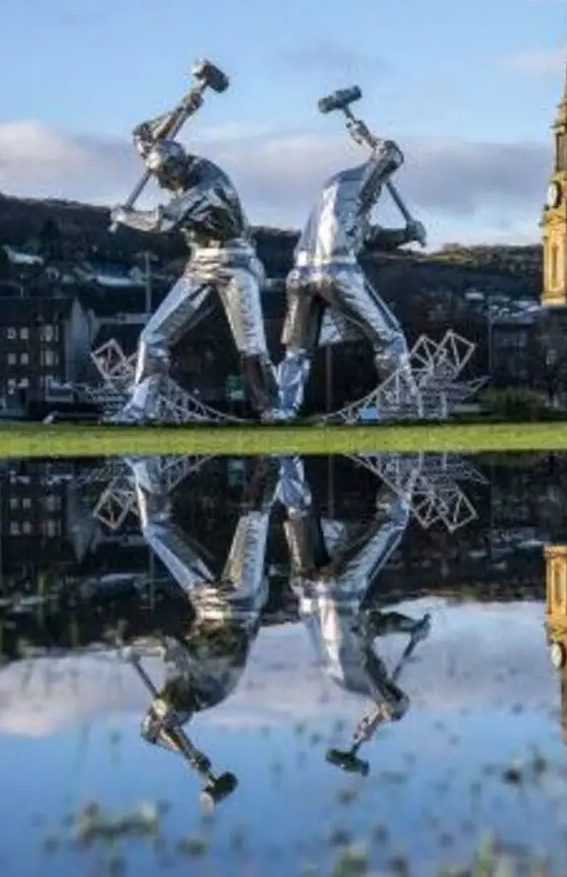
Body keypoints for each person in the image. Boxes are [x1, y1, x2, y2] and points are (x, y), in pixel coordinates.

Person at [124, 455, 278, 805]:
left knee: (155, 530)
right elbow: (169, 644)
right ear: (181, 707)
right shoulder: (208, 687)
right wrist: (136, 650)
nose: (165, 691)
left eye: (159, 699)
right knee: (253, 516)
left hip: (203, 597)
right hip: (240, 602)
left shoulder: (178, 694)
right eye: (167, 699)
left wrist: (176, 744)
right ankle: (280, 451)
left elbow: (148, 735)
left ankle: (141, 462)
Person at [108, 126, 278, 423]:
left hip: (234, 262)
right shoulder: (177, 165)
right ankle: (140, 409)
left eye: (165, 179)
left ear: (176, 169)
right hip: (199, 263)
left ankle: (272, 408)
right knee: (153, 337)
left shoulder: (207, 189)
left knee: (251, 345)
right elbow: (141, 136)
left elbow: (164, 221)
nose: (161, 186)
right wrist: (186, 103)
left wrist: (126, 216)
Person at [276, 456, 430, 774]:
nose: (397, 687)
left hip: (340, 591)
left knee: (394, 520)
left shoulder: (366, 676)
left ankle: (405, 454)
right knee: (299, 511)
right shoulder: (341, 676)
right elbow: (375, 624)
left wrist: (413, 628)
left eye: (397, 692)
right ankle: (281, 444)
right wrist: (409, 626)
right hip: (305, 590)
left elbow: (386, 699)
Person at [272, 125, 427, 420]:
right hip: (338, 271)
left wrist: (405, 234)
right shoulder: (362, 181)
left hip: (300, 274)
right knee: (390, 337)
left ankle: (283, 409)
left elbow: (365, 233)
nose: (385, 181)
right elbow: (388, 156)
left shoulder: (334, 192)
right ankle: (403, 408)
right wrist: (375, 147)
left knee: (297, 348)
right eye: (385, 174)